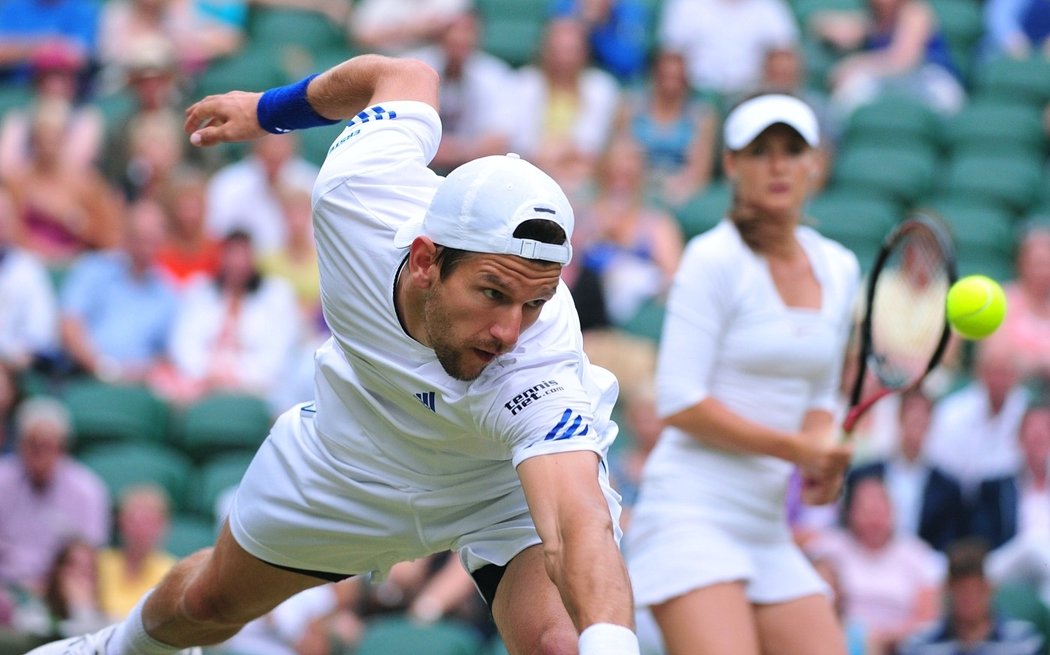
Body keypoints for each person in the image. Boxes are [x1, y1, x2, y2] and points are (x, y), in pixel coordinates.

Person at [29, 53, 640, 654]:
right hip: (353, 460)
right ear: (427, 260)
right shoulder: (358, 196)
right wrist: (266, 111)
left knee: (562, 643)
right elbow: (403, 75)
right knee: (208, 605)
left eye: (534, 302)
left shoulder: (541, 353)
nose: (511, 329)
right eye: (492, 292)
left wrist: (611, 643)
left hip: (496, 481)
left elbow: (574, 521)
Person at [622, 93, 859, 655]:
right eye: (760, 151)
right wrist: (796, 449)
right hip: (688, 518)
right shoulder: (712, 259)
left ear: (814, 163)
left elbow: (820, 393)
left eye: (791, 150)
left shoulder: (840, 267)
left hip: (766, 527)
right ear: (731, 165)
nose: (777, 165)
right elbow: (679, 401)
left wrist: (821, 455)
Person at [808, 476, 944, 654]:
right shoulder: (829, 548)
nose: (874, 519)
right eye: (866, 511)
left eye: (879, 510)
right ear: (850, 513)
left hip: (900, 647)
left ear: (893, 512)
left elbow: (928, 618)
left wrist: (886, 639)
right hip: (837, 641)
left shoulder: (915, 553)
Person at [0, 397, 110, 594]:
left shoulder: (87, 490)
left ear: (63, 448)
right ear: (20, 445)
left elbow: (88, 560)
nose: (40, 456)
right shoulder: (2, 480)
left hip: (58, 595)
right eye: (33, 445)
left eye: (48, 446)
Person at [846, 389, 968, 552]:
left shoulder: (948, 488)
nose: (916, 428)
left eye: (922, 421)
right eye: (912, 420)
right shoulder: (864, 475)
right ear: (899, 419)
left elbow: (948, 541)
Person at [900, 538, 1044, 654]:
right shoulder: (919, 645)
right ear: (948, 590)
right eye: (961, 591)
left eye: (976, 591)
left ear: (989, 588)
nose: (969, 599)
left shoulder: (1024, 641)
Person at [97, 485, 177, 620]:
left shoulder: (172, 572)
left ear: (164, 526)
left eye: (149, 521)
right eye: (134, 520)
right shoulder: (99, 563)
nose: (141, 530)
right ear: (120, 521)